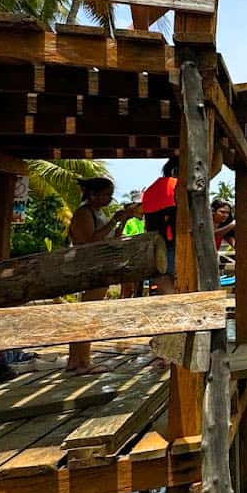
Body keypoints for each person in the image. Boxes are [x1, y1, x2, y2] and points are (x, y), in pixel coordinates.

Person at [66, 178, 140, 374]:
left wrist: (122, 221)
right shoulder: (84, 213)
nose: (110, 198)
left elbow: (111, 239)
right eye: (107, 194)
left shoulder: (98, 213)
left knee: (88, 312)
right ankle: (83, 361)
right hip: (89, 267)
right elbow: (89, 240)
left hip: (100, 265)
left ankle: (76, 359)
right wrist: (114, 220)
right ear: (93, 195)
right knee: (89, 314)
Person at [142, 158, 179, 294]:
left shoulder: (150, 190)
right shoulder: (178, 186)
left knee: (166, 291)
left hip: (156, 244)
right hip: (176, 243)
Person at [120, 202, 146, 298]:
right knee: (128, 287)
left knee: (138, 288)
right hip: (130, 257)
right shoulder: (129, 221)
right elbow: (124, 237)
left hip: (142, 256)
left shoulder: (145, 220)